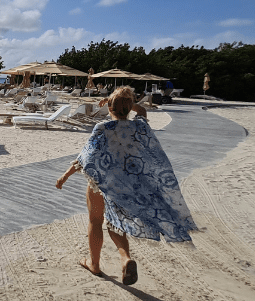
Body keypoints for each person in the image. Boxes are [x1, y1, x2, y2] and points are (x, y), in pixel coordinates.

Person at [55, 86, 196, 285]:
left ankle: (94, 264)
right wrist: (127, 104)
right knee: (115, 224)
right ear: (129, 108)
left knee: (95, 221)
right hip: (127, 184)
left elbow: (85, 159)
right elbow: (143, 112)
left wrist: (64, 177)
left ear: (109, 108)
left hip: (101, 183)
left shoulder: (103, 128)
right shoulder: (140, 126)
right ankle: (125, 258)